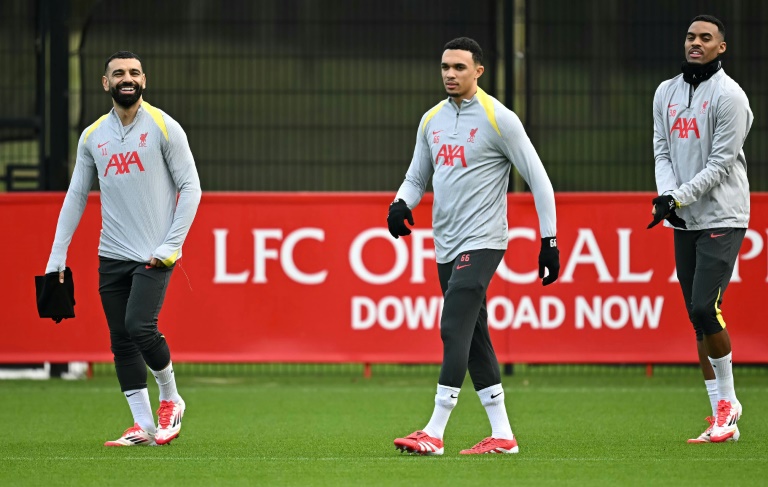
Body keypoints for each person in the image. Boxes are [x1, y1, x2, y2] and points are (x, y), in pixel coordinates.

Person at [388, 37, 559, 455]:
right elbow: (416, 177)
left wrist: (549, 240)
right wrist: (399, 203)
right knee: (475, 335)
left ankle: (434, 430)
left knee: (453, 325)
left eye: (459, 67)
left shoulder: (499, 118)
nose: (450, 74)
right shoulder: (431, 120)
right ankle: (503, 435)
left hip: (483, 240)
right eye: (445, 66)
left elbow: (538, 178)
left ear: (478, 71)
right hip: (444, 243)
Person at [44, 51, 202, 446]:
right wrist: (56, 256)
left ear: (144, 80)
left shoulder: (165, 126)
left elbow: (191, 189)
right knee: (120, 338)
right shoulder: (93, 136)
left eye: (133, 72)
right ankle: (144, 427)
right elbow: (76, 195)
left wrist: (171, 245)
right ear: (105, 83)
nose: (126, 78)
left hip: (155, 253)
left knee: (138, 326)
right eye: (118, 73)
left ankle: (171, 397)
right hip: (111, 253)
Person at [648, 15, 752, 444]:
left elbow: (721, 164)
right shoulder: (665, 91)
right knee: (697, 318)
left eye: (706, 38)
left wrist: (678, 197)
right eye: (691, 36)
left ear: (721, 47)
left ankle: (729, 404)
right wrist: (668, 195)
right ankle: (718, 417)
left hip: (723, 215)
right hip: (685, 217)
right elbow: (661, 149)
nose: (696, 43)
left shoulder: (730, 97)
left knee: (704, 308)